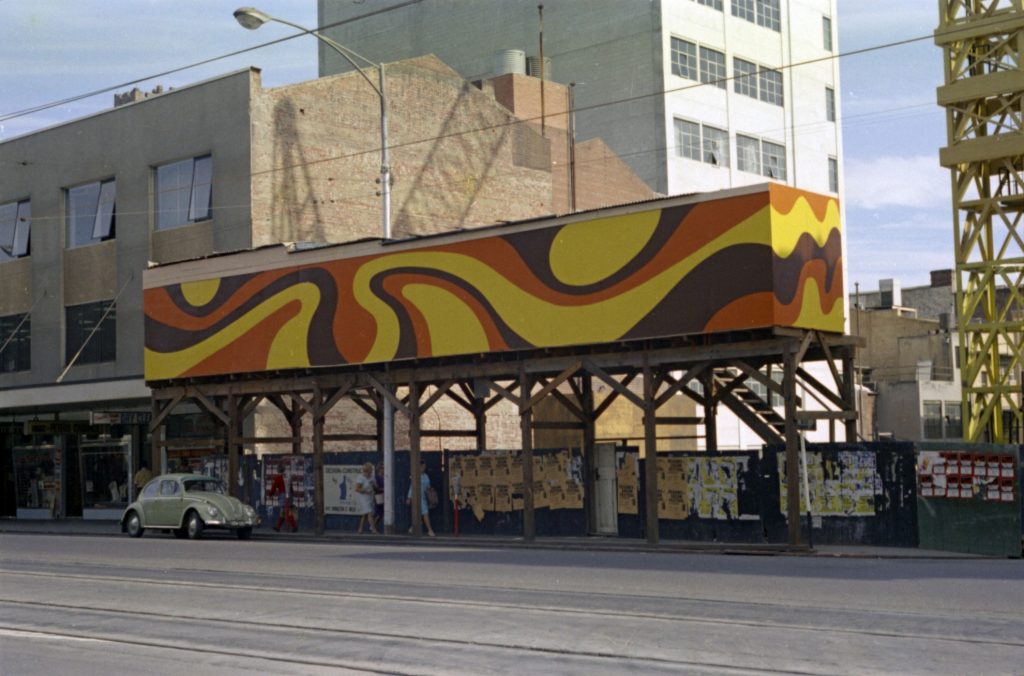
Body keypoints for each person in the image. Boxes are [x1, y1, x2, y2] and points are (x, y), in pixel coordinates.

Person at [406, 461, 436, 536]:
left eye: (424, 467)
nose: (424, 468)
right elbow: (411, 487)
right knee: (425, 513)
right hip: (417, 497)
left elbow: (428, 486)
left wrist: (430, 491)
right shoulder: (415, 475)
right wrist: (409, 497)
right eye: (422, 466)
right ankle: (430, 530)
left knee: (419, 513)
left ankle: (413, 527)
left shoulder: (425, 476)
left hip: (424, 496)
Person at [269, 464, 297, 532]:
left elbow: (274, 487)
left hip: (283, 495)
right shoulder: (288, 477)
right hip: (289, 495)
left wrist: (270, 494)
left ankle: (294, 526)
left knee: (286, 511)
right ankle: (278, 527)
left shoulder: (278, 478)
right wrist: (292, 494)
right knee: (283, 512)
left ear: (278, 470)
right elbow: (291, 487)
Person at [355, 462, 379, 534]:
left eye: (367, 471)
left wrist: (374, 485)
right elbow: (357, 489)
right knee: (369, 512)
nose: (365, 473)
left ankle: (360, 529)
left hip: (370, 497)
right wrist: (365, 491)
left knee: (365, 514)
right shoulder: (360, 477)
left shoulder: (372, 477)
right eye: (364, 471)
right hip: (363, 497)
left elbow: (376, 486)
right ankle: (374, 529)